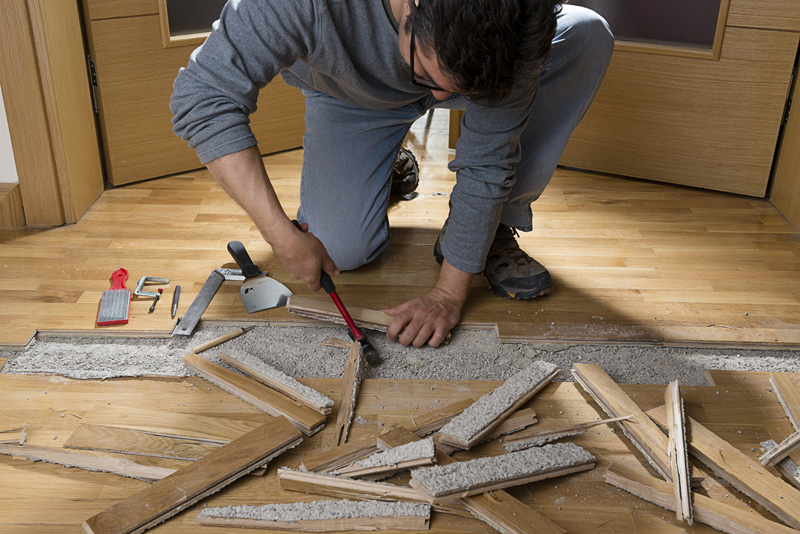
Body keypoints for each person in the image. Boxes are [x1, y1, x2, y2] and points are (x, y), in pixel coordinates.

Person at [170, 0, 614, 348]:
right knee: (340, 250)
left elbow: (488, 161)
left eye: (453, 90)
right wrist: (280, 234)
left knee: (587, 34)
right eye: (427, 73)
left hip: (486, 75)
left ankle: (494, 223)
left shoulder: (517, 25)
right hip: (348, 96)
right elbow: (203, 98)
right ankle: (387, 162)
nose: (441, 100)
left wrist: (448, 295)